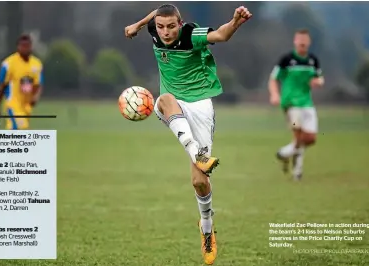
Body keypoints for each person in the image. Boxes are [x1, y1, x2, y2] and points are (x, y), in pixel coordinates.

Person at [125, 4, 252, 265]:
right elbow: (159, 11)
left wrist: (235, 22)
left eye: (171, 26)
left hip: (200, 106)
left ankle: (206, 228)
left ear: (180, 25)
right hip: (174, 104)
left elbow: (221, 35)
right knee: (163, 99)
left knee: (199, 182)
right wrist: (138, 25)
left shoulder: (191, 34)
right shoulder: (154, 28)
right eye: (160, 26)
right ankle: (196, 153)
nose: (165, 32)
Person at [268, 29, 324, 180]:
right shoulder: (287, 60)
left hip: (307, 103)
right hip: (290, 104)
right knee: (298, 135)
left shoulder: (313, 60)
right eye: (300, 39)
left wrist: (318, 82)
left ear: (309, 42)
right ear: (295, 41)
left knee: (310, 138)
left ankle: (284, 153)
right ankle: (297, 173)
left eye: (305, 40)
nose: (302, 43)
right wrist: (274, 94)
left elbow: (320, 78)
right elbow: (273, 78)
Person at [0, 34, 44, 130]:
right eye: (23, 46)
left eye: (27, 46)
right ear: (18, 47)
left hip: (26, 108)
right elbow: (1, 87)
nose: (25, 49)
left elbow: (38, 85)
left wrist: (35, 96)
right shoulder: (8, 64)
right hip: (13, 105)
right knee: (19, 130)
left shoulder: (36, 64)